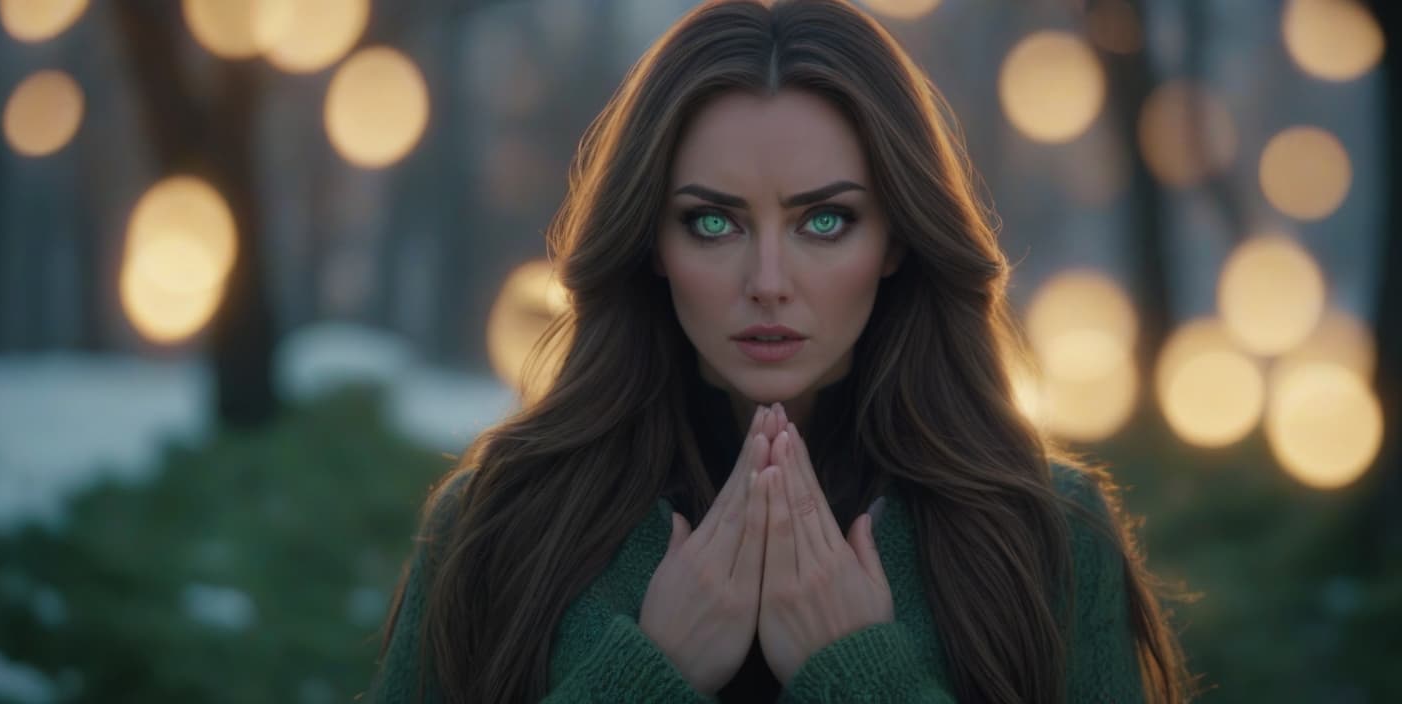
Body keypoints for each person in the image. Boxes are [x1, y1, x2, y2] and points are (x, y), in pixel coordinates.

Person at [367, 0, 1194, 702]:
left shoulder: (1048, 535)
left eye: (825, 221)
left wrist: (864, 678)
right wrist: (648, 675)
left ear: (898, 237)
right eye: (713, 222)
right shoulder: (498, 526)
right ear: (651, 240)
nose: (768, 281)